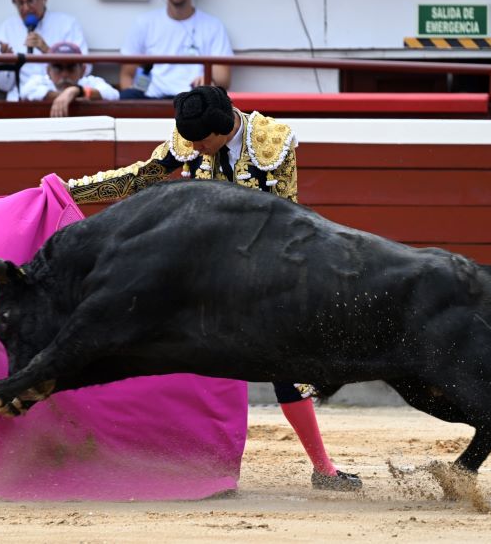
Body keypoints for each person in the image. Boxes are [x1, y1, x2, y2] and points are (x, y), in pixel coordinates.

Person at [56, 86, 362, 491]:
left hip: (264, 271)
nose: (196, 149)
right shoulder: (192, 138)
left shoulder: (273, 142)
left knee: (289, 369)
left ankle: (323, 470)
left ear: (222, 130)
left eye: (202, 143)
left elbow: (286, 216)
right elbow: (142, 175)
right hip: (202, 270)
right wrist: (71, 190)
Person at [119, 0, 233, 100]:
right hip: (151, 98)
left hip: (192, 99)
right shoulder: (144, 22)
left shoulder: (213, 26)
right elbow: (127, 74)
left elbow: (223, 78)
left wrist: (208, 80)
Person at [0, 0, 88, 102]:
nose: (26, 8)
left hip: (58, 98)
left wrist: (48, 51)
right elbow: (3, 85)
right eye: (20, 3)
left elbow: (86, 69)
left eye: (30, 1)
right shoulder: (8, 27)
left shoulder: (67, 24)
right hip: (20, 100)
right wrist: (7, 64)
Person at [21, 41, 118, 117]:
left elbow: (113, 94)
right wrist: (69, 95)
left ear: (82, 70)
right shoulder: (39, 81)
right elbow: (26, 91)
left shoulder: (90, 81)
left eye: (71, 68)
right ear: (48, 70)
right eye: (58, 68)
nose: (64, 74)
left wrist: (76, 90)